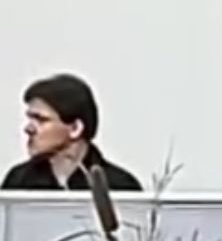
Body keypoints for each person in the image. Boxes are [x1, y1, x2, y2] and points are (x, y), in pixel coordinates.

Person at [1, 74, 141, 192]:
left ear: (75, 128)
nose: (28, 128)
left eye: (41, 120)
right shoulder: (18, 181)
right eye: (30, 118)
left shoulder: (119, 186)